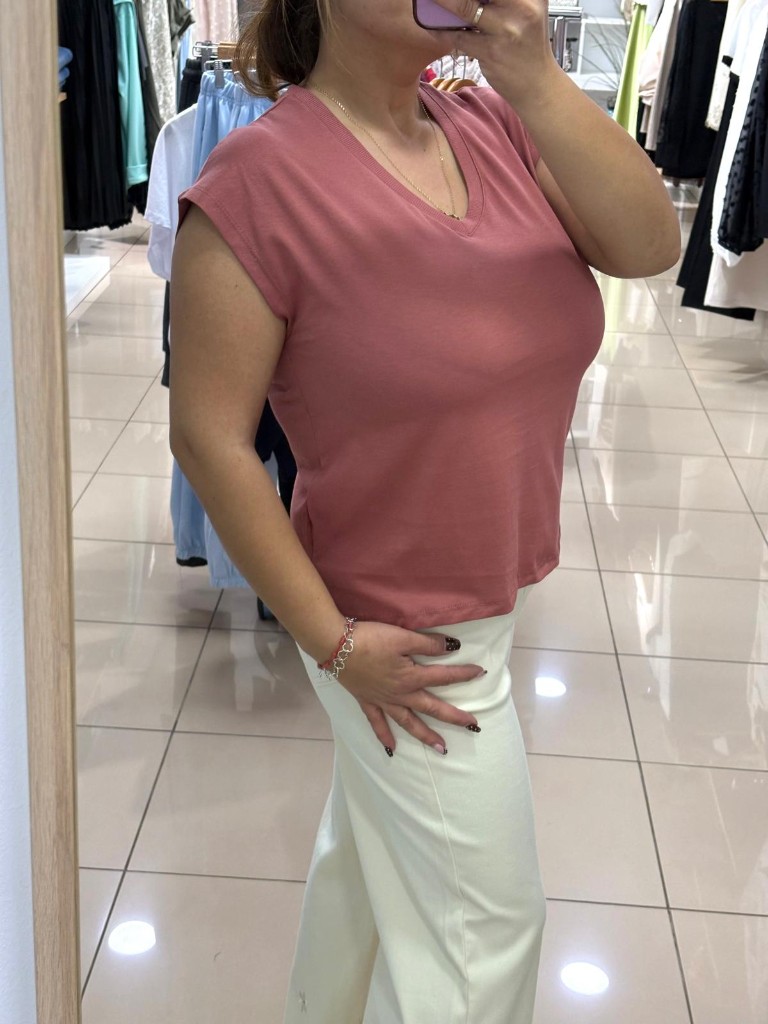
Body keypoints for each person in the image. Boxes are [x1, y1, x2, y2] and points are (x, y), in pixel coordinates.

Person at [169, 0, 680, 1019]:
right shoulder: (258, 180)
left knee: (368, 880)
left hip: (479, 604)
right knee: (482, 944)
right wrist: (333, 644)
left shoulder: (487, 125)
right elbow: (210, 438)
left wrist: (534, 77)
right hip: (400, 638)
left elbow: (648, 243)